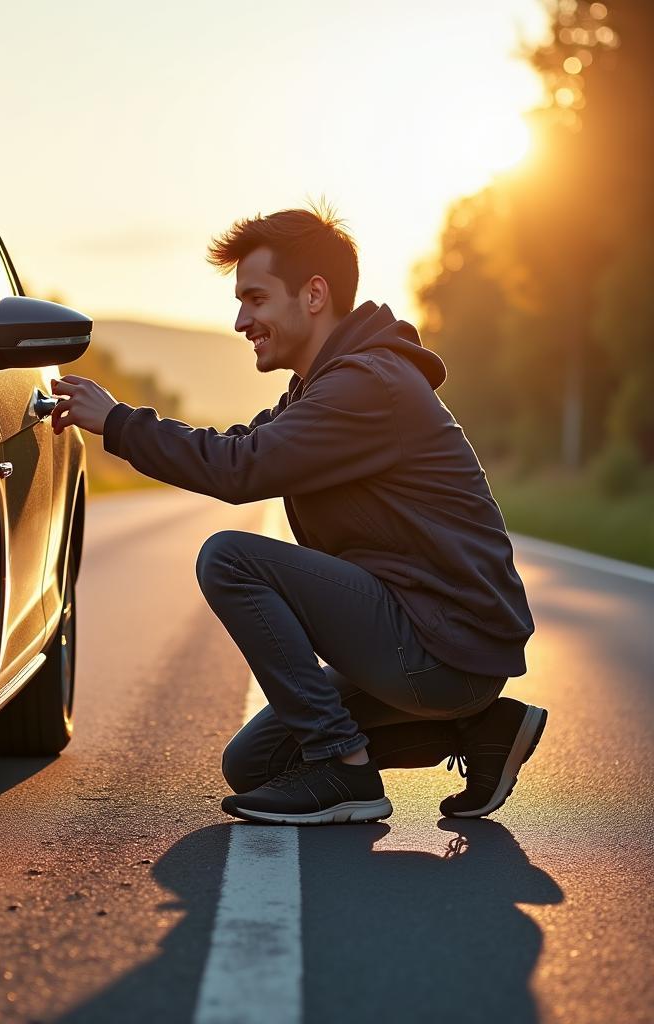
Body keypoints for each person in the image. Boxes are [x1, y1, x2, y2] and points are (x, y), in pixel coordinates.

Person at [49, 204, 546, 826]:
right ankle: (478, 731)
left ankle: (346, 771)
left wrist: (119, 423)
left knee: (230, 558)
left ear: (314, 295)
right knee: (256, 764)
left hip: (442, 645)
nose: (240, 320)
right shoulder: (322, 389)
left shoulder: (367, 386)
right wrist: (126, 423)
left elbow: (238, 470)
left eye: (255, 298)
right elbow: (236, 446)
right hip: (429, 640)